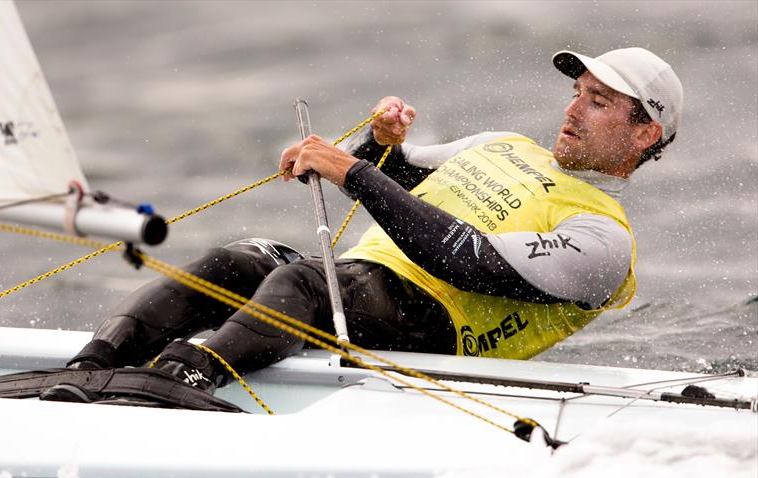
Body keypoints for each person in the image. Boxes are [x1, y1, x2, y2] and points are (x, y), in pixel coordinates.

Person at [50, 47, 683, 399]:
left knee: (305, 284)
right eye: (577, 92)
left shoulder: (607, 239)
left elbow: (464, 257)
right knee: (239, 259)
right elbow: (392, 173)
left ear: (644, 133)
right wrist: (378, 141)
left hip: (441, 335)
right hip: (363, 285)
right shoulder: (503, 143)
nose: (574, 109)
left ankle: (175, 384)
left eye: (598, 102)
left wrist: (352, 172)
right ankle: (87, 367)